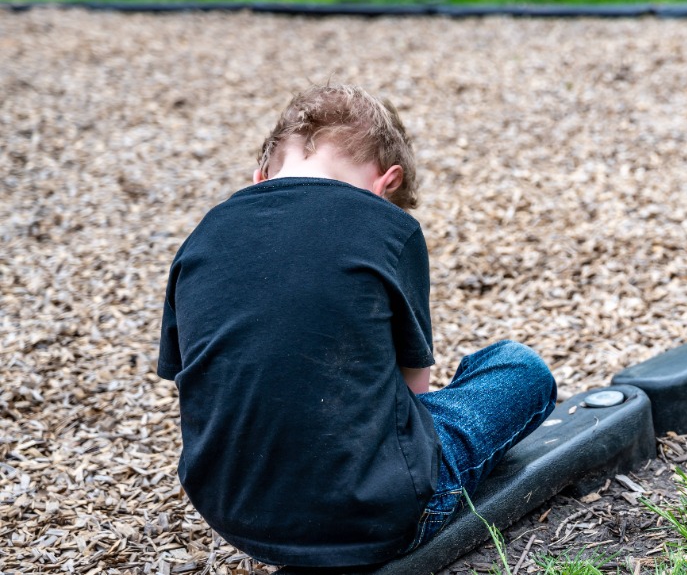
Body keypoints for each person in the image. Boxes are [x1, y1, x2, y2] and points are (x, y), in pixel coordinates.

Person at [157, 84, 557, 567]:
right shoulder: (386, 226)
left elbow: (197, 381)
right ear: (386, 183)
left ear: (260, 176)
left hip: (234, 515)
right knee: (517, 367)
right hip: (375, 515)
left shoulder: (202, 239)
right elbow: (414, 386)